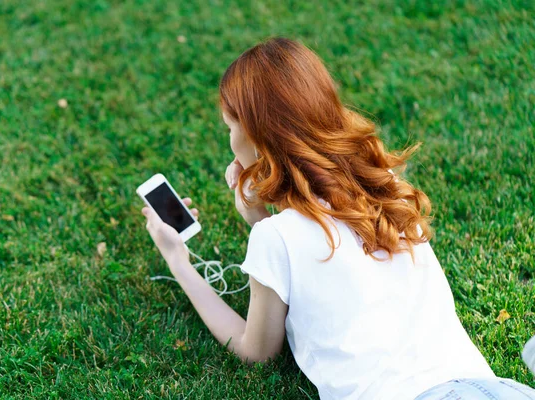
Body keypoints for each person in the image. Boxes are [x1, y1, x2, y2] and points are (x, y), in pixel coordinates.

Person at [141, 38, 535, 400]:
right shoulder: (389, 188)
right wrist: (261, 219)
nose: (229, 140)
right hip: (492, 389)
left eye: (230, 128)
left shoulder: (278, 238)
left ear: (258, 140)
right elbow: (326, 252)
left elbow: (255, 350)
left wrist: (180, 263)